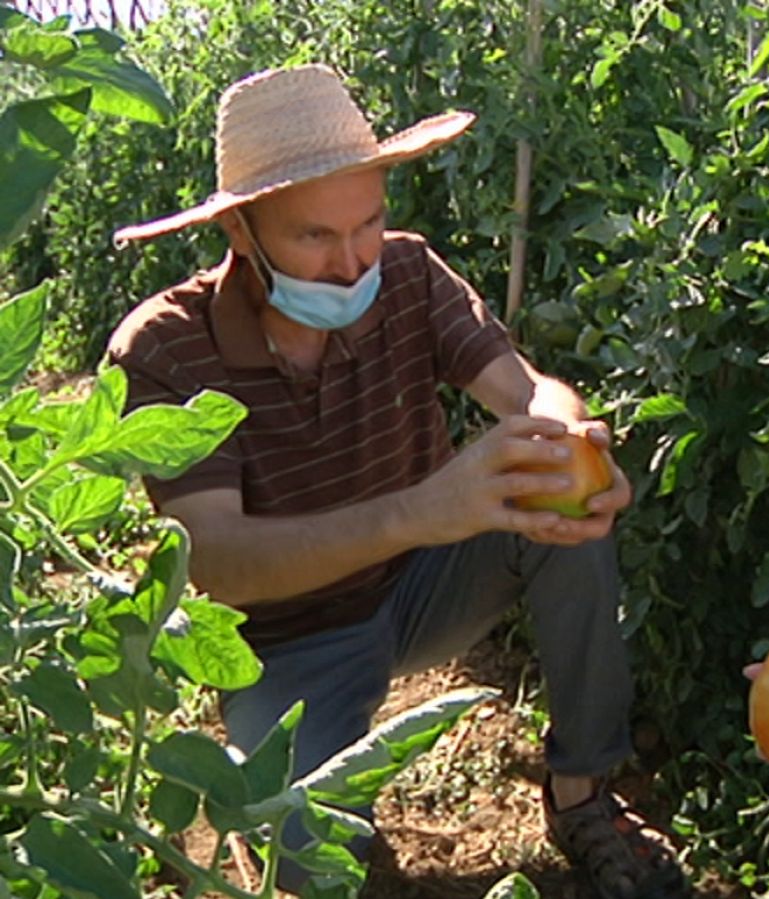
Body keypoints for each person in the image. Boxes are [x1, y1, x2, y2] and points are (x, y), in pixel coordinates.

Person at [108, 65, 686, 899]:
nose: (352, 262)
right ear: (241, 230)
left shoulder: (408, 275)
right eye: (314, 236)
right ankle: (272, 792)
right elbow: (221, 563)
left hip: (416, 587)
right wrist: (421, 510)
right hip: (284, 643)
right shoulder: (166, 350)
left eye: (369, 221)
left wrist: (569, 441)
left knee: (559, 511)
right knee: (303, 856)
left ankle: (581, 792)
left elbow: (525, 388)